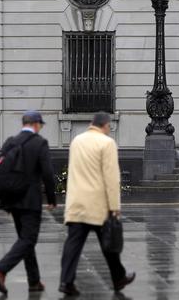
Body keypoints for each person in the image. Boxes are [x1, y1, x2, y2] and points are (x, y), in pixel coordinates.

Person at [59, 112, 135, 296]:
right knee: (109, 244)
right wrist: (115, 207)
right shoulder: (107, 143)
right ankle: (118, 278)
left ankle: (66, 281)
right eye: (109, 127)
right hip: (97, 204)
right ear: (105, 125)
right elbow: (111, 178)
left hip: (77, 203)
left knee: (73, 244)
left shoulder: (77, 141)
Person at [0, 110, 57, 295]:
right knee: (28, 239)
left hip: (11, 199)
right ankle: (1, 269)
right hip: (30, 200)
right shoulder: (39, 143)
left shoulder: (10, 141)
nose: (40, 128)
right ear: (35, 124)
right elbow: (48, 174)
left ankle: (34, 280)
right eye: (41, 125)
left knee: (25, 239)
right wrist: (51, 198)